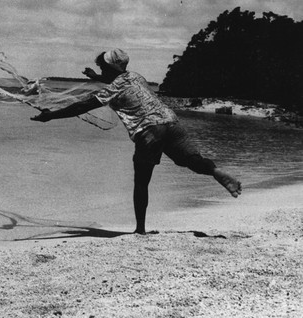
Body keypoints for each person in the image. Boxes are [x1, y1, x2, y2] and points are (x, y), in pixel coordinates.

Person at [31, 49, 242, 235]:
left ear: (111, 68)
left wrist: (51, 116)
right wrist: (96, 76)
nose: (102, 71)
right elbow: (117, 81)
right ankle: (217, 172)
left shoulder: (112, 88)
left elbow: (81, 106)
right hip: (170, 121)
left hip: (148, 130)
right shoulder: (136, 76)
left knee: (141, 181)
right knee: (193, 161)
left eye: (103, 68)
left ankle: (140, 229)